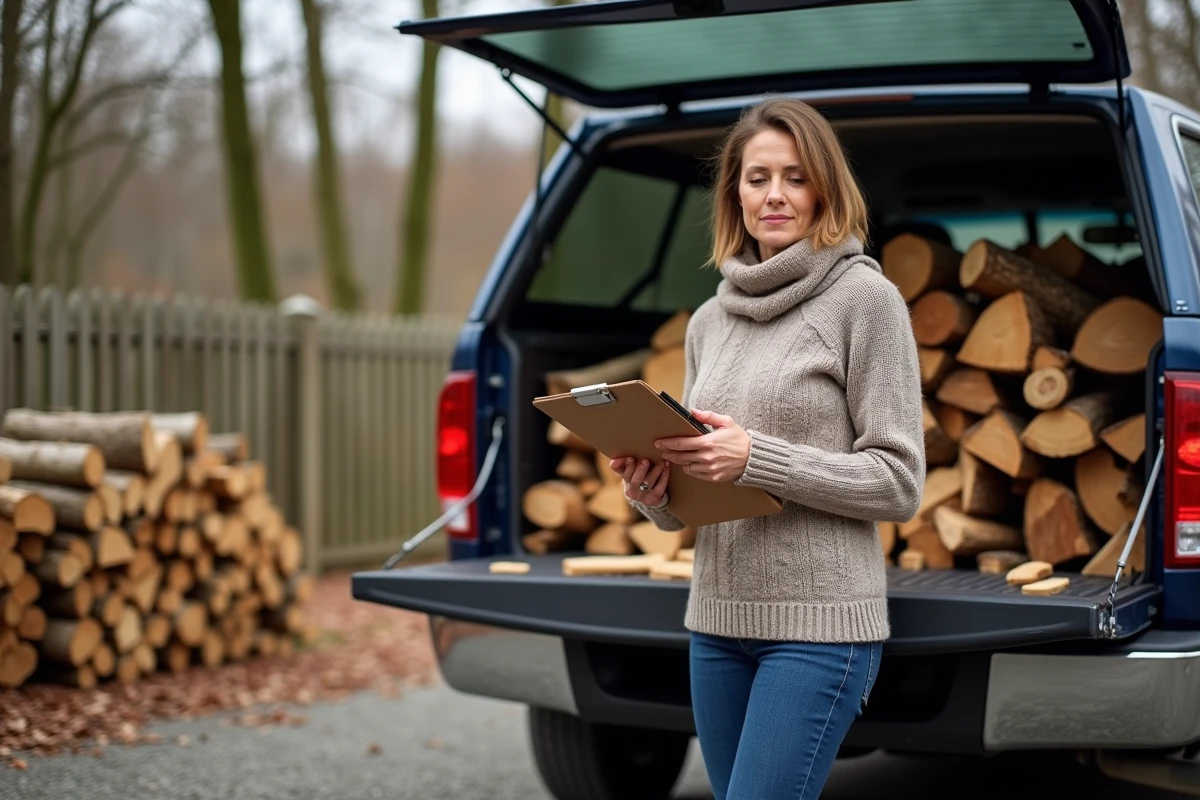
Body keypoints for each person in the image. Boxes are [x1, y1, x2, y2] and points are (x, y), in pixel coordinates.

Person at [609, 97, 926, 800]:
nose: (774, 194)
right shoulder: (707, 322)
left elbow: (899, 482)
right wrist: (653, 490)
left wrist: (758, 458)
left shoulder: (865, 302)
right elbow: (690, 504)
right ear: (735, 194)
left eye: (794, 176)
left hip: (819, 632)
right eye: (757, 178)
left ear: (825, 190)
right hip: (717, 623)